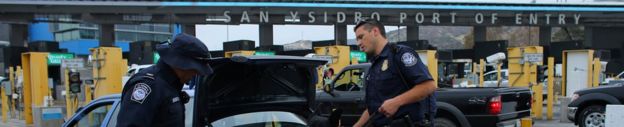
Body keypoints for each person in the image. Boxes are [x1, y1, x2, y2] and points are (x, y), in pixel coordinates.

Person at [352, 19, 438, 127]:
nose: (358, 43)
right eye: (356, 39)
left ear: (375, 31)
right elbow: (374, 109)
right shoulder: (374, 66)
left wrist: (396, 102)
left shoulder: (400, 54)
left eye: (361, 37)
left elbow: (428, 86)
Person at [117, 33, 213, 127]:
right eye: (195, 69)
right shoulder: (149, 86)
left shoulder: (171, 87)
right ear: (181, 64)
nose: (196, 74)